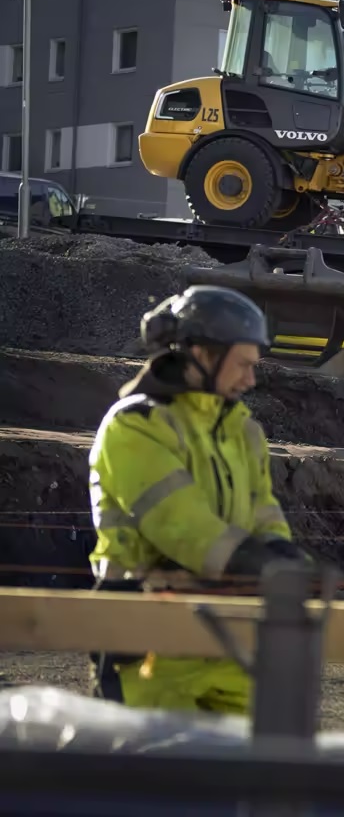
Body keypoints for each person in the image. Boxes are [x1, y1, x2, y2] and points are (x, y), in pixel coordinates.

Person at [89, 284, 308, 714]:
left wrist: (282, 550)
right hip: (149, 642)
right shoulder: (136, 425)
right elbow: (177, 523)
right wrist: (256, 563)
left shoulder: (242, 430)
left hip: (230, 637)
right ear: (201, 355)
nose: (251, 379)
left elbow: (262, 507)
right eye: (242, 365)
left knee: (249, 773)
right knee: (160, 776)